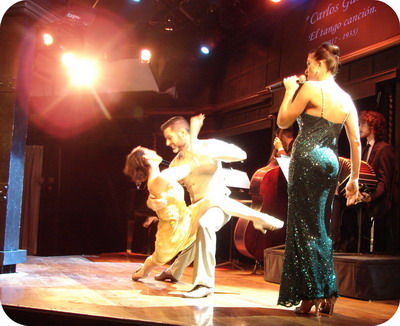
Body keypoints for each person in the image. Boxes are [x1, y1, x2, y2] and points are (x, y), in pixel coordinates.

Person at [140, 114, 283, 298]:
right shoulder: (177, 162)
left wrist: (200, 147)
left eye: (170, 137)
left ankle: (204, 284)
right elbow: (164, 190)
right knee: (191, 234)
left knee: (205, 224)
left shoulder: (208, 146)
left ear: (183, 133)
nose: (168, 143)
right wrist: (155, 203)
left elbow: (241, 154)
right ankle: (175, 271)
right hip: (196, 209)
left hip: (219, 206)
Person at [276, 42, 362, 315]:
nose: (306, 69)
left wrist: (290, 91)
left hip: (307, 161)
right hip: (330, 162)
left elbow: (282, 121)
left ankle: (311, 294)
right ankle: (328, 290)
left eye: (309, 64)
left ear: (322, 65)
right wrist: (355, 179)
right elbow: (356, 142)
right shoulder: (347, 99)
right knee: (321, 228)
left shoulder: (311, 89)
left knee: (304, 227)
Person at [358, 110, 395, 251]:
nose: (359, 128)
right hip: (365, 198)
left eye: (363, 124)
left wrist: (371, 198)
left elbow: (384, 181)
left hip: (379, 202)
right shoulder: (364, 149)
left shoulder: (384, 149)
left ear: (372, 127)